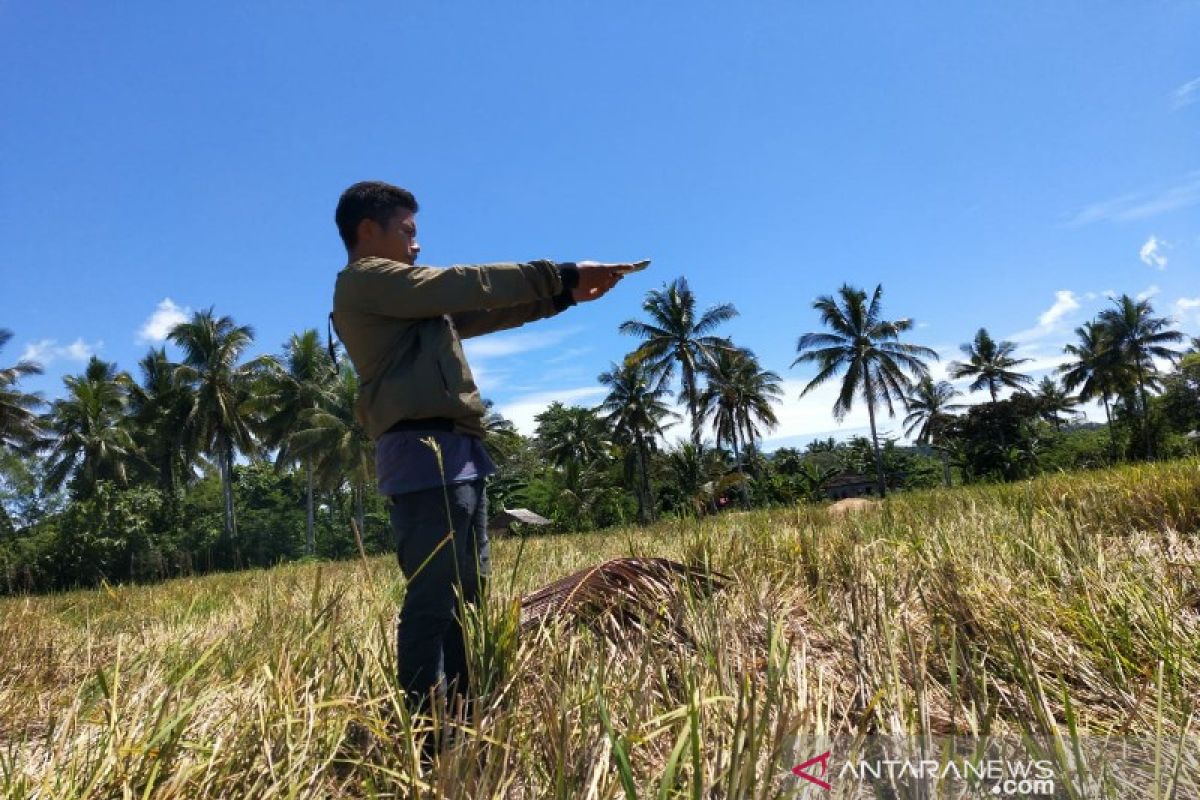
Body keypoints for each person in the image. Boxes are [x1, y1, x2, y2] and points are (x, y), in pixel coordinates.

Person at [330, 180, 631, 726]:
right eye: (408, 231)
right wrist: (561, 273)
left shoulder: (411, 303)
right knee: (434, 599)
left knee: (468, 596)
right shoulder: (365, 282)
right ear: (368, 231)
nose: (417, 245)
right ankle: (429, 733)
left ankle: (465, 716)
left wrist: (562, 297)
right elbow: (469, 283)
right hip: (423, 455)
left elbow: (486, 309)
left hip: (459, 451)